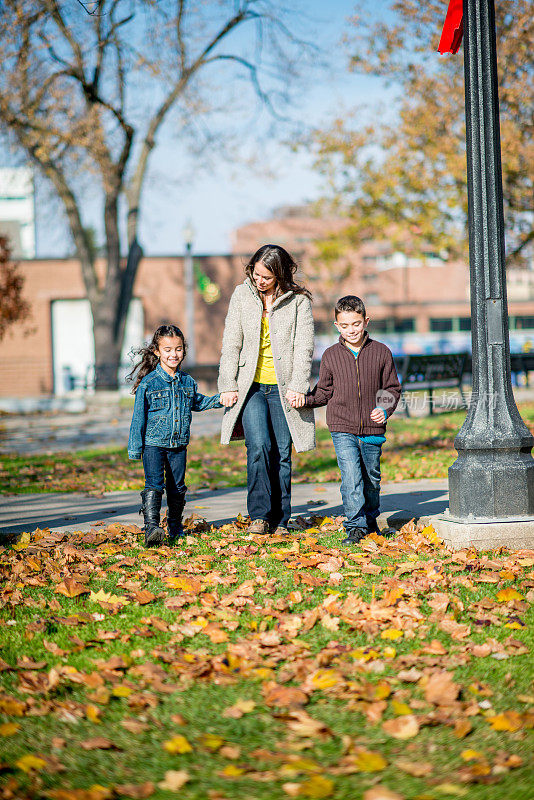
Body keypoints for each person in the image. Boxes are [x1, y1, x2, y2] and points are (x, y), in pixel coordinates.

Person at [218, 244, 315, 535]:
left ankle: (281, 519)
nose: (259, 281)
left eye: (266, 277)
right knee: (258, 446)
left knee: (282, 453)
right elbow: (231, 343)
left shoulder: (298, 302)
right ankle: (259, 516)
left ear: (280, 275)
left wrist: (299, 385)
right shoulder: (241, 295)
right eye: (255, 274)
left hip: (285, 389)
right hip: (252, 388)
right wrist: (227, 384)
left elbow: (304, 347)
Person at [297, 295, 401, 545]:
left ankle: (370, 518)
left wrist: (384, 409)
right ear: (337, 326)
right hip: (342, 427)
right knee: (351, 477)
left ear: (366, 321)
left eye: (356, 324)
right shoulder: (331, 355)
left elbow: (392, 388)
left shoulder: (381, 352)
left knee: (371, 479)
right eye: (344, 326)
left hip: (373, 428)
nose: (351, 330)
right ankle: (355, 526)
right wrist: (305, 400)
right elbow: (324, 391)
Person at [127, 324, 221, 547]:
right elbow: (138, 417)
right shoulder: (149, 383)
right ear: (157, 352)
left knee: (177, 487)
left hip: (178, 444)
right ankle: (152, 528)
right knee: (154, 485)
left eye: (178, 349)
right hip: (153, 444)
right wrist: (135, 447)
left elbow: (198, 402)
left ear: (184, 351)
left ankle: (175, 526)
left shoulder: (188, 382)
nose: (173, 354)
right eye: (167, 349)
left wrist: (220, 399)